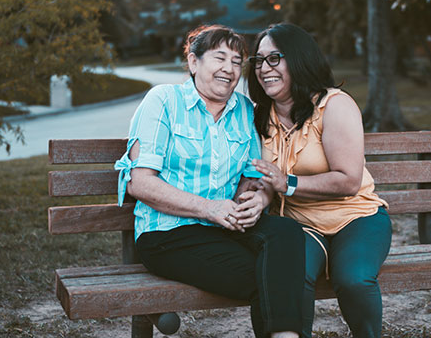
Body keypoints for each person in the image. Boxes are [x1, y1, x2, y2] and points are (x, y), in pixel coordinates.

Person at [115, 25, 305, 338]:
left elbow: (254, 177)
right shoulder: (163, 101)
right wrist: (208, 208)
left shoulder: (244, 110)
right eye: (220, 58)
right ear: (193, 62)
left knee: (286, 232)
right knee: (271, 277)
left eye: (236, 61)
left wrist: (258, 198)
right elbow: (139, 183)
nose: (229, 69)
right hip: (167, 235)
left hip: (224, 228)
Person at [247, 23, 392, 338]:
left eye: (275, 58)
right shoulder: (259, 115)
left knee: (353, 279)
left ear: (298, 59)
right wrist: (259, 195)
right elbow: (262, 177)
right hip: (299, 225)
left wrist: (289, 184)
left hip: (356, 218)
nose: (263, 68)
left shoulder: (334, 105)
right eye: (258, 60)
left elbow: (349, 180)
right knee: (286, 278)